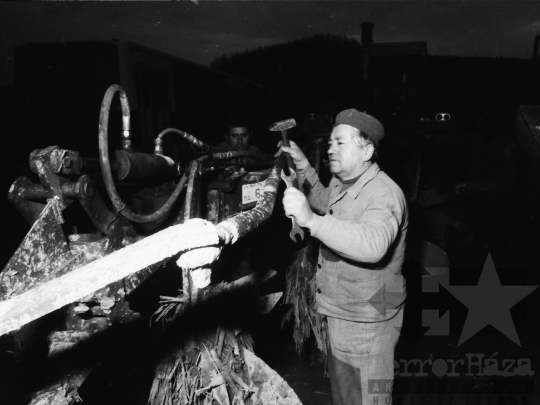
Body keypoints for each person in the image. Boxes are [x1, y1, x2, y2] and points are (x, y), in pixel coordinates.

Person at [279, 109, 408, 405]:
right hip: (344, 310)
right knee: (346, 396)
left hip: (369, 319)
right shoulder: (344, 182)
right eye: (330, 142)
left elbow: (374, 244)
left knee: (366, 399)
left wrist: (310, 220)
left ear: (367, 151)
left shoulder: (383, 194)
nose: (330, 148)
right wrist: (302, 165)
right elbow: (323, 201)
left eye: (340, 142)